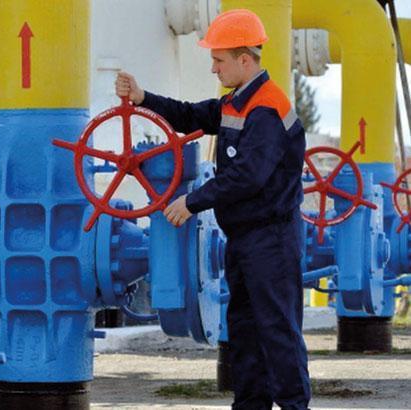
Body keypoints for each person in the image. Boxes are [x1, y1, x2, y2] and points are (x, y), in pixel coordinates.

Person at [115, 9, 310, 410]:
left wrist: (191, 202)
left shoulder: (266, 109)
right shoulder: (237, 102)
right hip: (246, 237)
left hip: (271, 239)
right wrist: (143, 98)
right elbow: (192, 115)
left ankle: (294, 406)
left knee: (277, 330)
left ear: (245, 60)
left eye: (219, 60)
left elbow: (249, 177)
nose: (213, 68)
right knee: (245, 331)